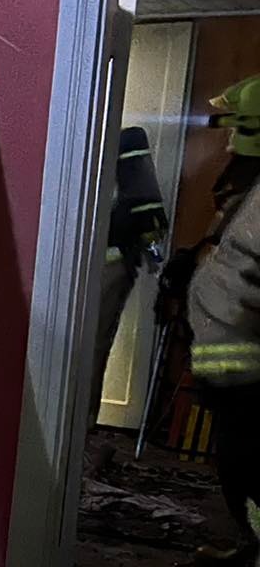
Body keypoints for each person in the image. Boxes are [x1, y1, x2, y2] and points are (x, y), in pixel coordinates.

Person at [188, 73, 260, 567]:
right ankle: (248, 552)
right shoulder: (246, 187)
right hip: (237, 382)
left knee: (248, 475)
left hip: (251, 385)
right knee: (240, 478)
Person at [91, 126, 168, 417]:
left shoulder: (124, 144)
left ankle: (79, 426)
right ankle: (79, 424)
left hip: (108, 263)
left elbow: (146, 218)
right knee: (92, 347)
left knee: (90, 348)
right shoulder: (121, 147)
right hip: (108, 263)